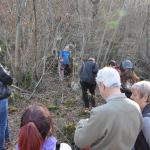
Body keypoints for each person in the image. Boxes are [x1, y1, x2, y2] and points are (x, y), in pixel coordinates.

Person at [74, 67, 143, 150]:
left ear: (103, 86)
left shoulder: (100, 112)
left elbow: (80, 141)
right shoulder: (136, 107)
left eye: (98, 87)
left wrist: (82, 123)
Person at [131, 81, 150, 150]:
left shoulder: (146, 120)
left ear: (145, 97)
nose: (131, 97)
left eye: (134, 95)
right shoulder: (143, 114)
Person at [0, 64, 13, 150]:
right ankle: (1, 147)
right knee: (2, 124)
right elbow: (9, 80)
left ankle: (7, 139)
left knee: (5, 120)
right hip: (1, 100)